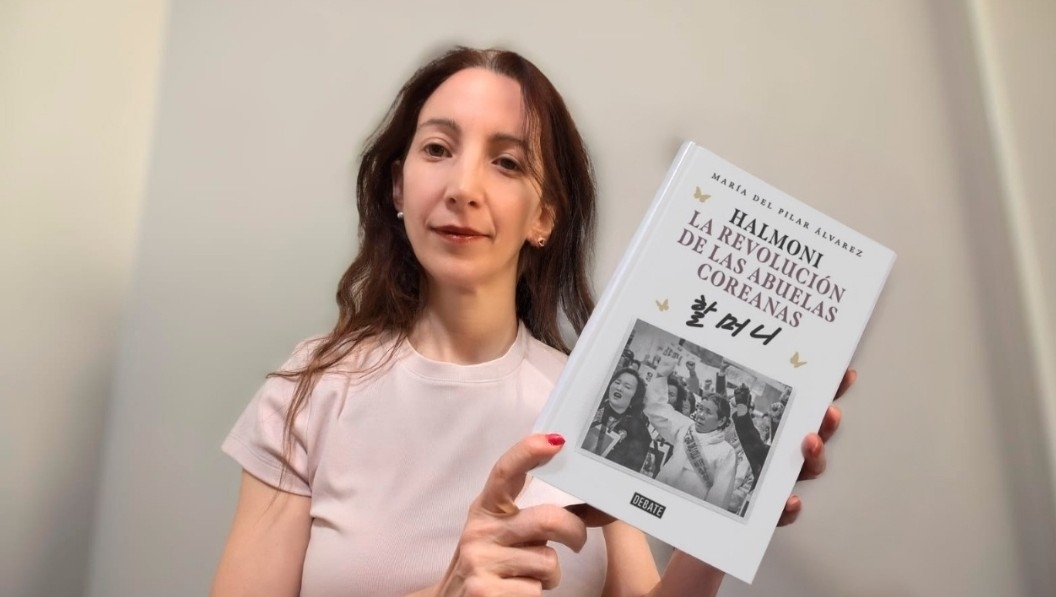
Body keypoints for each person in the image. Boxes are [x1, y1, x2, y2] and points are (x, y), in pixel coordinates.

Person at [212, 45, 853, 596]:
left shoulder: (590, 396)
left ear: (544, 216)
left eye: (508, 162)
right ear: (398, 187)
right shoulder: (310, 391)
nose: (463, 187)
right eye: (437, 149)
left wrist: (731, 515)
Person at [644, 383, 738, 509]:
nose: (700, 415)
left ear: (721, 421)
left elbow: (719, 498)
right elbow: (655, 411)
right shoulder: (685, 426)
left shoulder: (726, 452)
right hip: (657, 497)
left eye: (708, 412)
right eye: (700, 408)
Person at [585, 367, 652, 472]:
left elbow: (628, 471)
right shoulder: (590, 407)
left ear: (635, 396)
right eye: (617, 382)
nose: (619, 388)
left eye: (627, 387)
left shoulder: (640, 432)